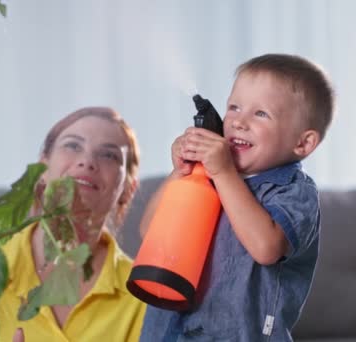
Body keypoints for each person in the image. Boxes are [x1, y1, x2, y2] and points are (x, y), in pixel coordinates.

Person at [139, 53, 335, 341]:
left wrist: (225, 174)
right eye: (234, 107)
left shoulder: (295, 191)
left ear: (302, 142)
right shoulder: (206, 173)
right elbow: (149, 232)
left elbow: (266, 247)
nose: (239, 122)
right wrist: (180, 172)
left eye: (261, 114)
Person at [0, 107, 147, 341]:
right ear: (42, 169)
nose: (87, 161)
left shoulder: (145, 297)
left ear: (127, 190)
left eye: (109, 155)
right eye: (72, 145)